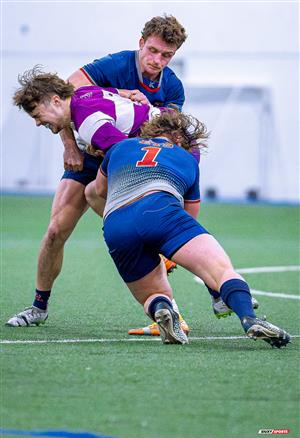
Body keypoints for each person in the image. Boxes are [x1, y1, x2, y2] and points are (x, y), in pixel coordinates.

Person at [6, 15, 192, 331]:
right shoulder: (115, 64)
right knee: (55, 231)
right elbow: (64, 98)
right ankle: (38, 307)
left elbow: (171, 133)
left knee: (140, 231)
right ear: (141, 43)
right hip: (91, 155)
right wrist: (69, 146)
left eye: (166, 55)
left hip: (131, 162)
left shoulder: (172, 86)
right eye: (153, 50)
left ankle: (194, 295)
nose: (156, 60)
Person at [95, 110, 290, 348]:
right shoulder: (186, 159)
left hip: (116, 223)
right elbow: (190, 215)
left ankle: (163, 309)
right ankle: (249, 318)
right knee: (221, 271)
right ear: (179, 139)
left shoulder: (119, 148)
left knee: (152, 294)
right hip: (160, 210)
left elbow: (99, 189)